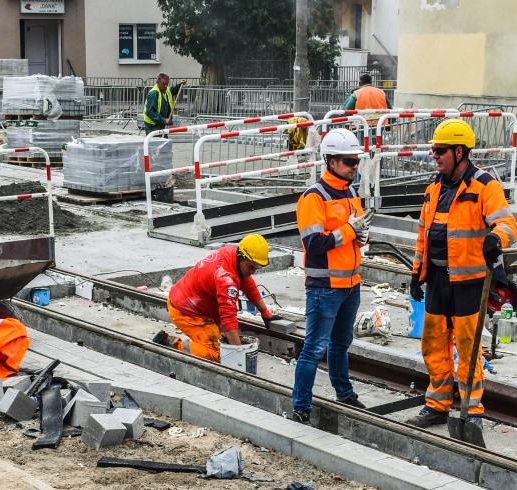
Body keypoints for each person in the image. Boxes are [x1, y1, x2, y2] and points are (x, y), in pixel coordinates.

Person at [405, 119, 517, 428]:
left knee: (467, 346)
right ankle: (437, 404)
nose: (434, 156)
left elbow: (508, 224)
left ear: (459, 151)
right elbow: (422, 237)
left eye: (440, 151)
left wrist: (496, 238)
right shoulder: (433, 190)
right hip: (439, 280)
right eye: (433, 150)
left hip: (469, 282)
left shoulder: (484, 186)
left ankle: (472, 410)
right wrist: (417, 275)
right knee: (433, 343)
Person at [291, 128, 373, 424]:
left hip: (350, 284)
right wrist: (350, 231)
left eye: (356, 161)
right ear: (332, 161)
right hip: (325, 287)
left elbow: (355, 232)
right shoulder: (314, 197)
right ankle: (300, 407)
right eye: (350, 161)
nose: (355, 166)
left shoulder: (350, 192)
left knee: (340, 345)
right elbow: (313, 243)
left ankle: (344, 392)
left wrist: (362, 235)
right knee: (314, 348)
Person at [153, 234, 281, 362]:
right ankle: (172, 345)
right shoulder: (225, 278)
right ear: (241, 257)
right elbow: (228, 318)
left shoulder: (232, 253)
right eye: (251, 267)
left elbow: (247, 283)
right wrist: (238, 355)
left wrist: (265, 313)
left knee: (225, 339)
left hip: (191, 302)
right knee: (218, 354)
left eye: (256, 267)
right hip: (187, 312)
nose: (253, 271)